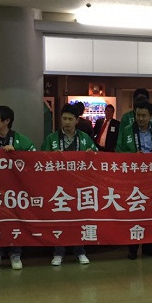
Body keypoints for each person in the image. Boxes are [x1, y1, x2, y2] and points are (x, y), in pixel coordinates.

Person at [0, 105, 36, 270]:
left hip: (16, 191)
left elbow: (34, 161)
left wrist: (16, 153)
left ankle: (15, 254)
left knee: (15, 221)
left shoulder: (21, 140)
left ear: (7, 121)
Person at [42, 104, 97, 265]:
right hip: (58, 187)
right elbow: (41, 160)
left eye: (70, 119)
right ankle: (58, 252)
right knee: (59, 219)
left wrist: (91, 154)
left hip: (79, 185)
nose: (66, 122)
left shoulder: (85, 138)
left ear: (77, 120)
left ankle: (80, 251)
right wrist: (51, 156)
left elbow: (97, 157)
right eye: (64, 118)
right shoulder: (51, 139)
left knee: (79, 218)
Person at [116, 98, 152, 260]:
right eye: (138, 115)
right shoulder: (126, 131)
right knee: (134, 211)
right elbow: (118, 152)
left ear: (151, 116)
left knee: (151, 212)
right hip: (133, 177)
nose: (140, 118)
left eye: (144, 115)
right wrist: (132, 156)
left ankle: (148, 246)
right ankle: (132, 247)